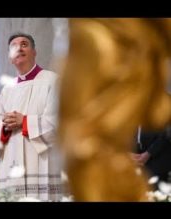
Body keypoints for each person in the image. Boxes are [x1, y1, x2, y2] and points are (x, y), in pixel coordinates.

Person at [58, 18, 171, 201]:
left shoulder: (161, 99)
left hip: (155, 161)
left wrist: (147, 154)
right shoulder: (101, 97)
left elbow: (166, 131)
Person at [0, 33, 63, 201]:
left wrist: (25, 121)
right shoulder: (8, 89)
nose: (19, 48)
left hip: (41, 161)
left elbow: (58, 122)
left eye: (24, 44)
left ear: (34, 52)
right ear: (10, 58)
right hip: (12, 162)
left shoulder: (53, 81)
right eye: (14, 46)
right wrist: (4, 127)